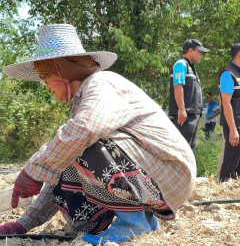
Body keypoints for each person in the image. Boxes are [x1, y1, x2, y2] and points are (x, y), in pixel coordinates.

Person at [0, 24, 196, 245]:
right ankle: (143, 222)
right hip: (153, 179)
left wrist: (33, 171)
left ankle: (134, 224)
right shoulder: (83, 100)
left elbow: (85, 130)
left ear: (62, 71)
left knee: (80, 144)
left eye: (45, 78)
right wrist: (24, 224)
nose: (46, 86)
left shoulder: (101, 84)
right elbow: (60, 166)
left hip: (170, 173)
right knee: (66, 153)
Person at [216, 42, 240, 182]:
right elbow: (226, 103)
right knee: (231, 161)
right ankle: (224, 189)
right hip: (235, 126)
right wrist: (232, 129)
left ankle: (239, 190)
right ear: (239, 55)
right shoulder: (228, 74)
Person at [168, 39, 210, 149]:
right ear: (190, 50)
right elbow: (178, 86)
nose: (201, 55)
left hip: (192, 114)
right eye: (199, 52)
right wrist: (181, 109)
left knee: (190, 147)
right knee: (182, 148)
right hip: (184, 116)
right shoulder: (181, 64)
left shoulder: (191, 67)